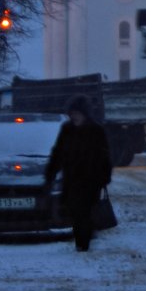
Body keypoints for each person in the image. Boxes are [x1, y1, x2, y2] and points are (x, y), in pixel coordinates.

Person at [44, 96, 112, 253]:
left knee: (85, 210)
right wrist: (51, 173)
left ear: (84, 113)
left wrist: (104, 177)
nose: (74, 116)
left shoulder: (96, 130)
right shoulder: (67, 129)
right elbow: (58, 152)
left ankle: (84, 242)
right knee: (75, 210)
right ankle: (81, 240)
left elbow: (104, 156)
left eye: (76, 113)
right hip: (72, 178)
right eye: (71, 113)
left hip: (90, 179)